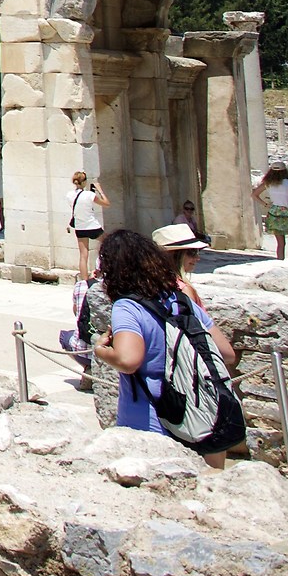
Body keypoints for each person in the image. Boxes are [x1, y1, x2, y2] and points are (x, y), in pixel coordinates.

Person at [94, 228, 239, 464]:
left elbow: (128, 360)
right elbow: (227, 354)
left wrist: (101, 351)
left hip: (149, 425)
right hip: (200, 419)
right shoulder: (181, 299)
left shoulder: (127, 307)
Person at [151, 221, 213, 307]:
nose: (197, 258)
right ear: (174, 255)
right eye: (192, 252)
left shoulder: (151, 284)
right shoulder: (184, 290)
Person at [68, 170, 109, 277]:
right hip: (92, 225)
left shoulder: (70, 195)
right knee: (108, 243)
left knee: (83, 255)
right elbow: (106, 203)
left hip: (80, 227)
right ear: (84, 182)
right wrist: (100, 190)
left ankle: (84, 281)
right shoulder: (89, 194)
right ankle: (103, 269)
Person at [259, 165, 288, 258]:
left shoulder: (268, 183)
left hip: (274, 212)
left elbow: (254, 194)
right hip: (287, 212)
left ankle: (280, 260)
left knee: (280, 243)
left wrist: (265, 204)